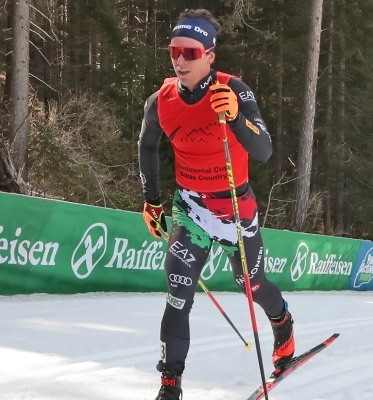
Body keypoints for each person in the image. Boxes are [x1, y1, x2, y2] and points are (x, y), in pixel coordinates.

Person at [138, 8, 295, 400]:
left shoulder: (233, 90)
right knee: (178, 295)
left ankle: (283, 323)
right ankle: (169, 385)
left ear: (210, 55)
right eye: (175, 50)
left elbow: (264, 150)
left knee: (252, 285)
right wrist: (151, 201)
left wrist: (238, 118)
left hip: (234, 211)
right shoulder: (161, 100)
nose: (180, 59)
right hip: (189, 210)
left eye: (191, 53)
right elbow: (147, 147)